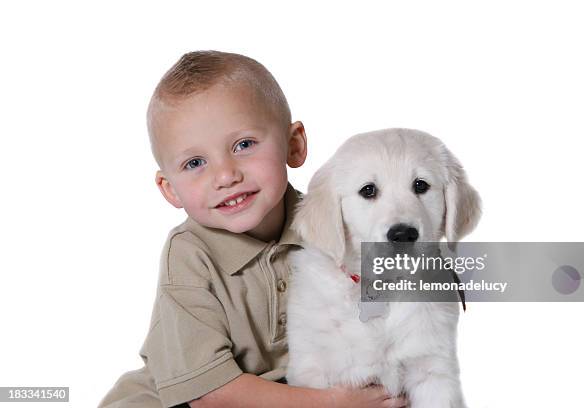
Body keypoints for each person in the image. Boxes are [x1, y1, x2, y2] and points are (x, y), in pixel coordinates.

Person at [99, 50, 407, 408]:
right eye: (195, 162)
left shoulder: (327, 223)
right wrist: (334, 403)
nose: (226, 175)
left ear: (294, 145)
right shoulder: (189, 255)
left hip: (294, 393)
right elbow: (208, 393)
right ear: (171, 189)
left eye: (243, 145)